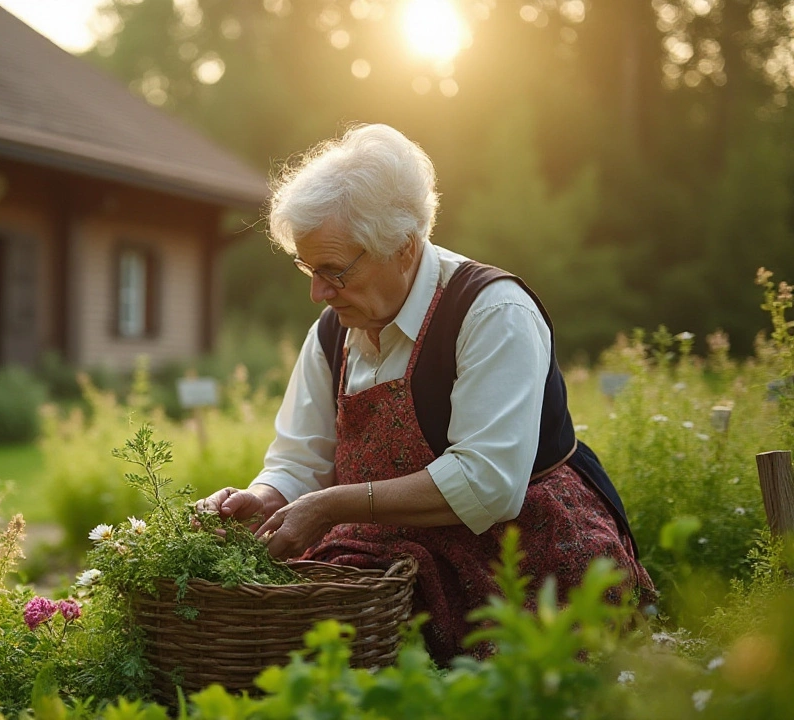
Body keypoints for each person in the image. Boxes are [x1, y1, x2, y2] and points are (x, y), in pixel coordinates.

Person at [197, 124, 654, 663]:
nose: (317, 292)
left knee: (517, 672)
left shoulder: (492, 313)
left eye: (333, 270)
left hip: (517, 547)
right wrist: (268, 495)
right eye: (308, 267)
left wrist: (333, 506)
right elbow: (301, 460)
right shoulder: (332, 330)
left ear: (405, 247)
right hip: (385, 544)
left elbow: (488, 484)